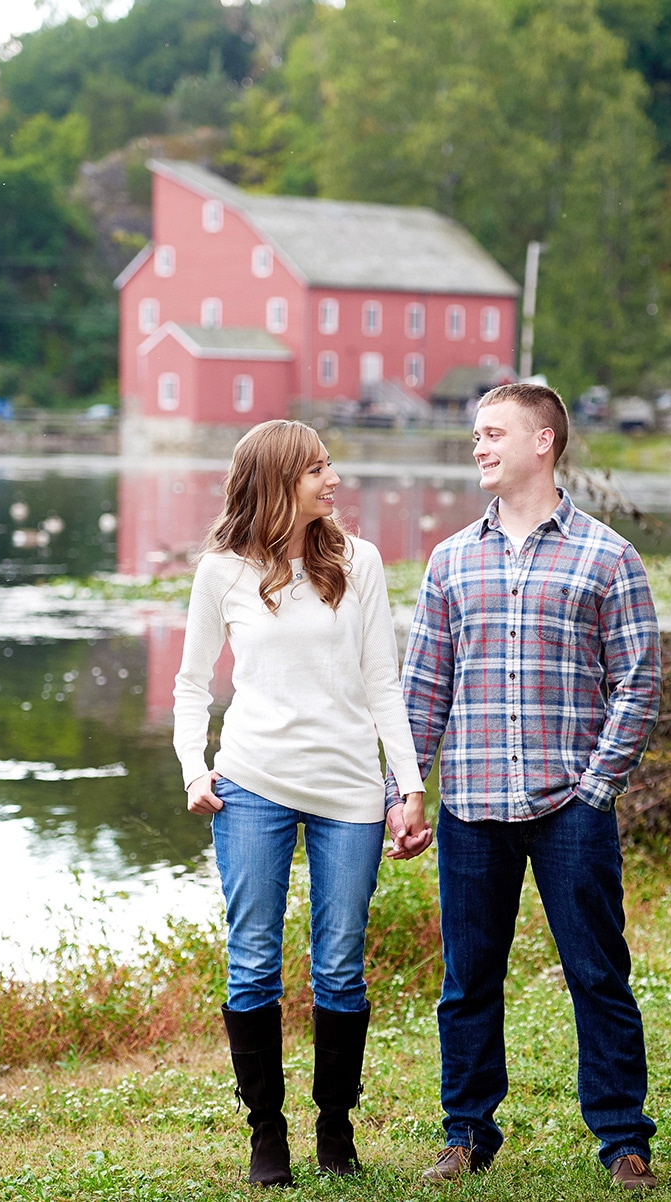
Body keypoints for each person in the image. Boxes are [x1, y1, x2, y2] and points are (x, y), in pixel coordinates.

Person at [392, 383, 663, 1191]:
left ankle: (623, 1138)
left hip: (569, 810)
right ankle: (467, 1132)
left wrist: (596, 785)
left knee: (597, 975)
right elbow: (422, 692)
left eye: (492, 433)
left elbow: (639, 682)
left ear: (542, 442)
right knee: (467, 982)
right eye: (476, 435)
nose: (478, 447)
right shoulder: (449, 560)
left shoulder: (609, 556)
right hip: (471, 809)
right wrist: (408, 792)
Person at [174, 420, 434, 1187]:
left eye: (330, 464)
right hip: (251, 784)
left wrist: (408, 786)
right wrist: (195, 768)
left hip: (350, 790)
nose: (334, 478)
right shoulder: (221, 570)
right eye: (318, 467)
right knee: (252, 962)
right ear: (280, 478)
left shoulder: (361, 562)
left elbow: (382, 683)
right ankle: (267, 1136)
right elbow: (192, 683)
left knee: (340, 967)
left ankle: (335, 1128)